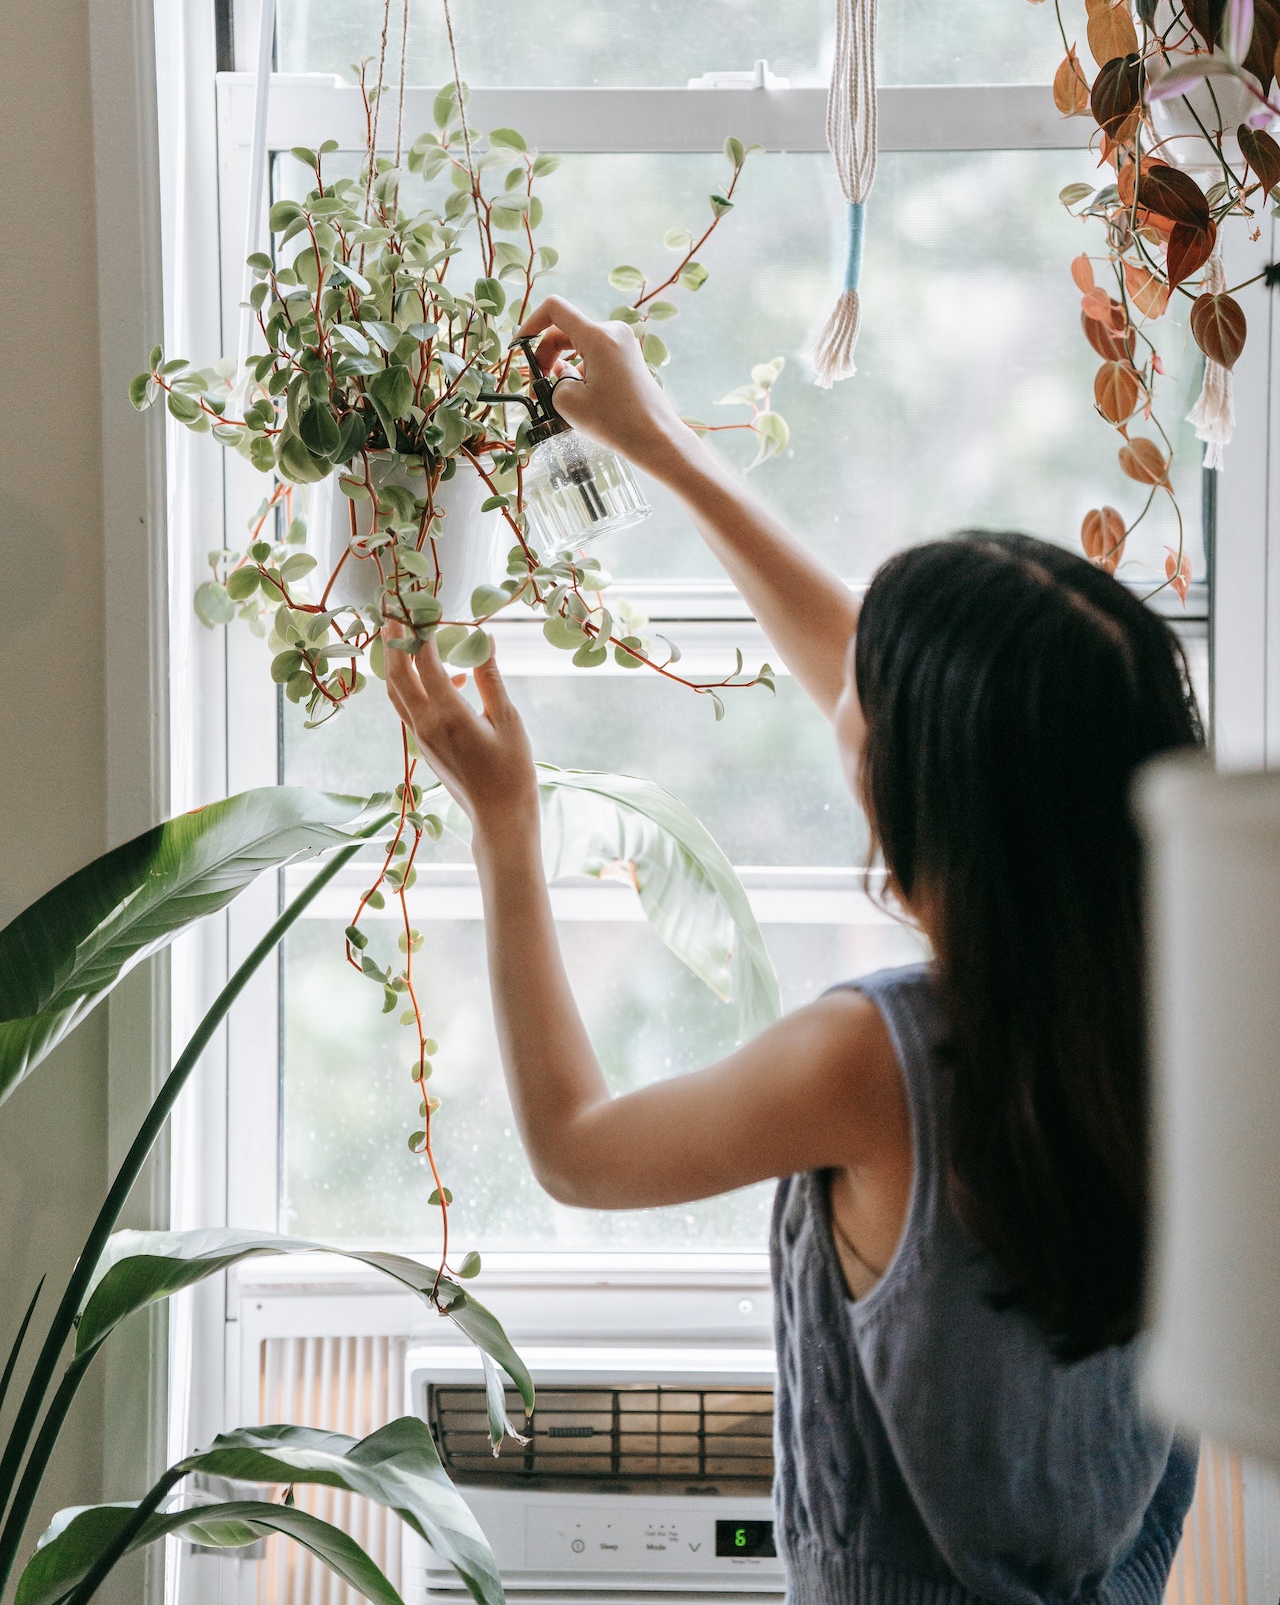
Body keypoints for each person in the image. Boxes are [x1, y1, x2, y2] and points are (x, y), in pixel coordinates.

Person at [385, 295, 1204, 1605]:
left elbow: (577, 1149)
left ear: (925, 797)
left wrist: (504, 827)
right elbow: (876, 688)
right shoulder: (1182, 1020)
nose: (845, 704)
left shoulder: (882, 1060)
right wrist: (658, 442)